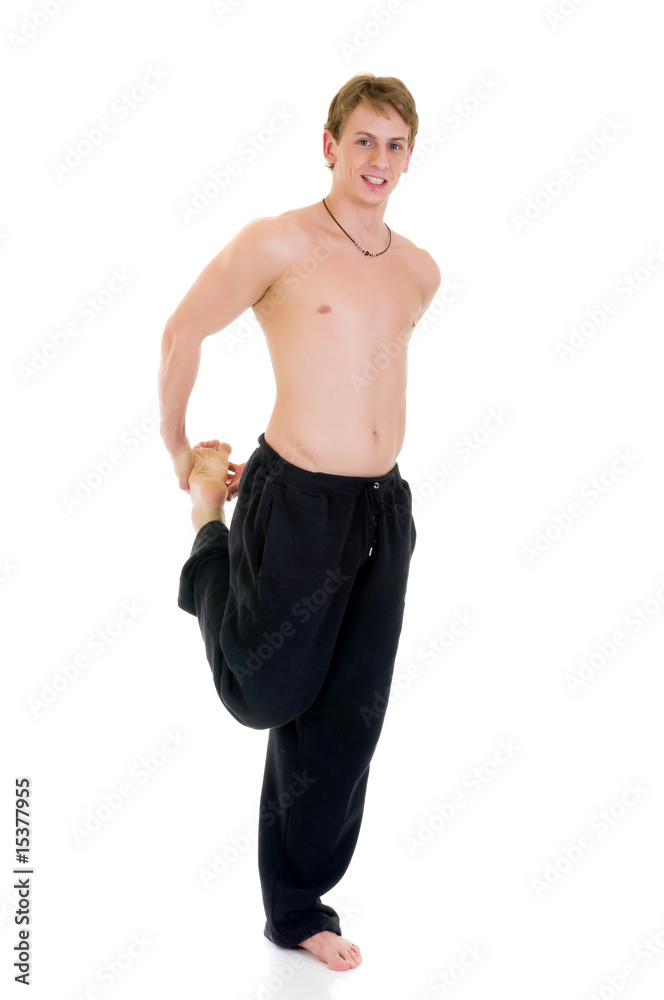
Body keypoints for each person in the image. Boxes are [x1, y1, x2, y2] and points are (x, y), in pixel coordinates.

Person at [158, 73, 441, 972]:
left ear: (410, 156)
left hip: (382, 509)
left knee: (346, 722)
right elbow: (182, 331)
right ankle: (209, 533)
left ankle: (297, 910)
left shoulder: (420, 270)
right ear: (329, 145)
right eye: (364, 140)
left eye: (395, 144)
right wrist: (179, 451)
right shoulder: (278, 241)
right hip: (297, 499)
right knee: (264, 694)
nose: (379, 160)